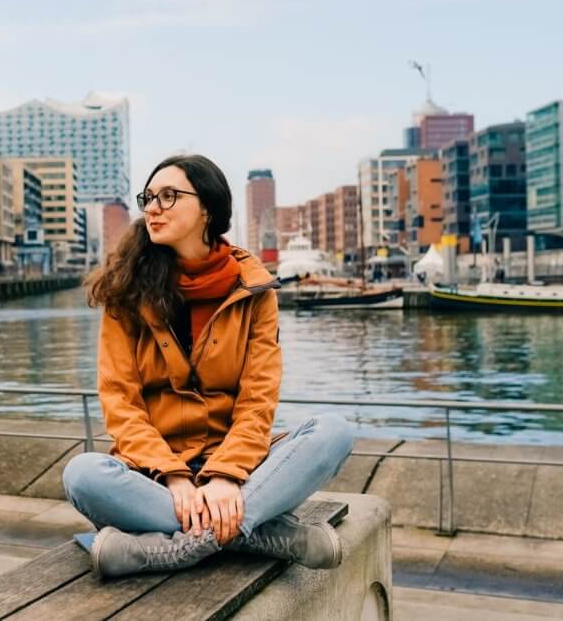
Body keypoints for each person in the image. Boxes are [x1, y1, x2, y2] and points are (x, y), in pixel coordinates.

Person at [63, 154, 354, 579]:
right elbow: (121, 404)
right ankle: (262, 535)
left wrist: (225, 476)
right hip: (156, 477)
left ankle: (175, 548)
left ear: (207, 209)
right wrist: (175, 477)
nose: (152, 208)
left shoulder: (254, 291)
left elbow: (258, 399)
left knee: (335, 431)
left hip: (239, 469)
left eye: (169, 196)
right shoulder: (124, 291)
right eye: (149, 197)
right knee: (82, 474)